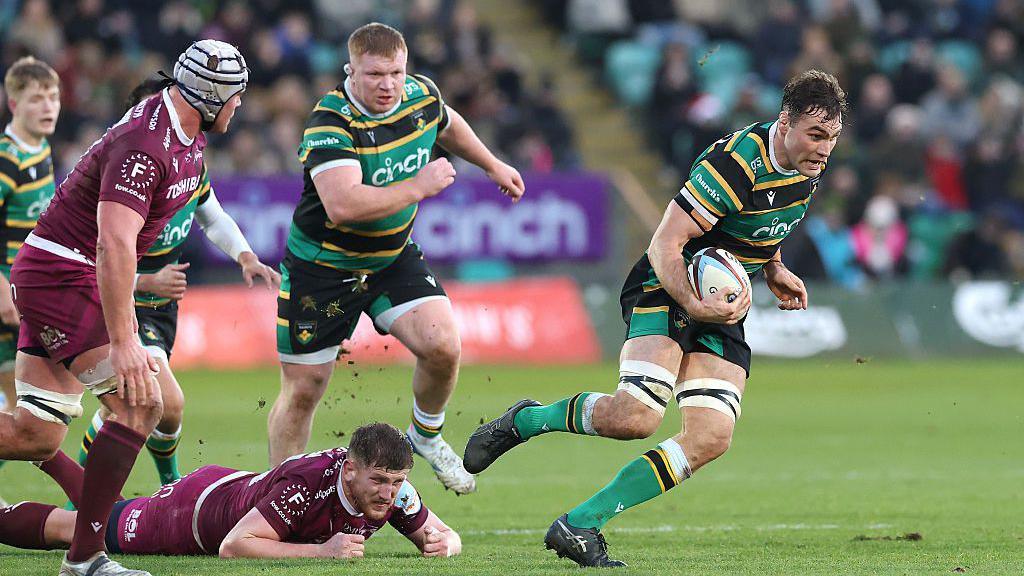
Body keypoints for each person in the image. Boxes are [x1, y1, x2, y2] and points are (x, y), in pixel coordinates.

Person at [465, 70, 847, 567]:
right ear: (785, 122)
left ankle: (580, 524)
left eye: (833, 139)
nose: (823, 149)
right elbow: (665, 243)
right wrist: (691, 303)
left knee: (712, 437)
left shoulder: (807, 171)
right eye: (815, 135)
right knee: (635, 418)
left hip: (721, 302)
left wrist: (773, 266)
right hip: (668, 286)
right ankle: (527, 419)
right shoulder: (733, 165)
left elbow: (766, 225)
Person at [0, 40, 248, 576]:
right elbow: (114, 244)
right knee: (141, 402)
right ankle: (86, 558)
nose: (239, 107)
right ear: (209, 97)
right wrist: (127, 340)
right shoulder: (147, 143)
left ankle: (86, 550)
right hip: (62, 275)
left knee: (34, 435)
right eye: (235, 96)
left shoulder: (189, 138)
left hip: (62, 273)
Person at [268, 22, 525, 495]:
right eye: (375, 75)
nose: (388, 85)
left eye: (396, 73)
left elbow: (446, 124)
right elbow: (343, 206)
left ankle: (425, 436)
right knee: (304, 389)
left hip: (389, 258)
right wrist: (418, 186)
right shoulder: (331, 121)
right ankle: (284, 496)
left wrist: (492, 164)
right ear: (351, 70)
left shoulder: (419, 94)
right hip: (323, 267)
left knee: (443, 346)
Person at [73, 79, 280, 490]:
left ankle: (160, 485)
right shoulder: (128, 170)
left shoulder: (190, 163)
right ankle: (102, 495)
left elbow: (212, 215)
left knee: (158, 410)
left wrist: (245, 256)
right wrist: (146, 280)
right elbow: (97, 257)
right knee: (161, 401)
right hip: (120, 300)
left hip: (160, 304)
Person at [0, 422, 462, 561]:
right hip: (193, 514)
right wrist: (324, 553)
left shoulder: (394, 488)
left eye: (396, 482)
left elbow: (444, 536)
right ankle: (43, 457)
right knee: (80, 530)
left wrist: (445, 542)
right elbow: (234, 546)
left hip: (231, 488)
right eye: (379, 480)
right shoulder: (306, 484)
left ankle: (47, 456)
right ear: (350, 470)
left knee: (106, 510)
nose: (388, 493)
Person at [0, 55, 61, 508]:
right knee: (26, 419)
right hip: (6, 295)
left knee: (23, 417)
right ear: (13, 102)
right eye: (37, 98)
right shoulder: (7, 159)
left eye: (54, 96)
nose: (49, 106)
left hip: (25, 293)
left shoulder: (40, 151)